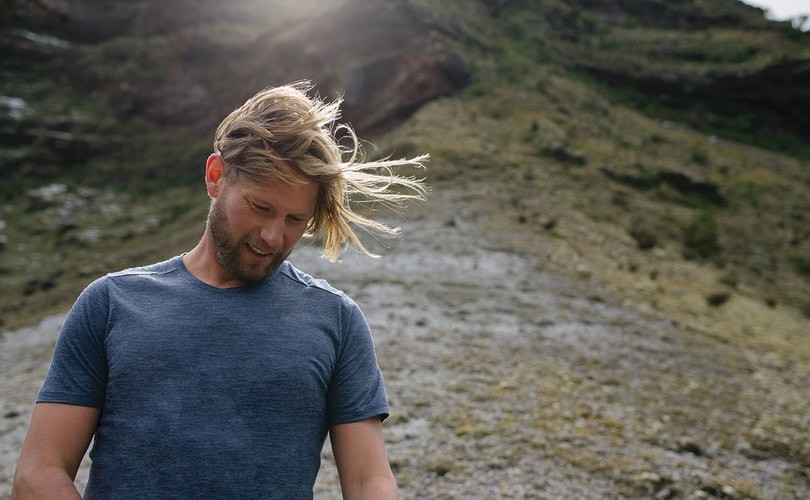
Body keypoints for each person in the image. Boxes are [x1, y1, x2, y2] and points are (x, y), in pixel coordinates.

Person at [11, 81, 427, 499]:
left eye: (294, 220)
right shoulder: (110, 304)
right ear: (215, 176)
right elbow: (38, 473)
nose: (272, 236)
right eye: (260, 207)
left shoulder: (336, 320)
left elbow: (369, 480)